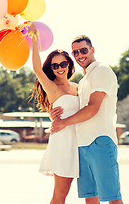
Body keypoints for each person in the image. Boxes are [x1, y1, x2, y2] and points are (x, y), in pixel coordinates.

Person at [50, 35, 124, 204]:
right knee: (90, 197)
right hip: (82, 145)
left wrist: (62, 123)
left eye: (83, 50)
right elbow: (70, 105)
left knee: (113, 198)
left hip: (100, 141)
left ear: (92, 50)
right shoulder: (84, 80)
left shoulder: (102, 71)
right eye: (75, 52)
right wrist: (54, 114)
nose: (79, 55)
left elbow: (92, 107)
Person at [28, 24, 80, 204]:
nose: (59, 68)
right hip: (63, 143)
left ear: (69, 64)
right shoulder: (52, 87)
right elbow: (36, 69)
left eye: (63, 63)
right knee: (61, 193)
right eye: (55, 65)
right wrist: (34, 39)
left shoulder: (77, 87)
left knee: (88, 191)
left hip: (81, 142)